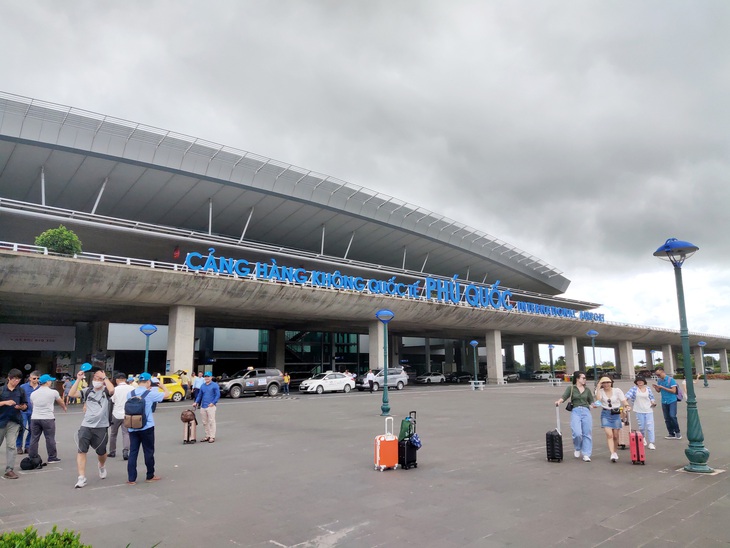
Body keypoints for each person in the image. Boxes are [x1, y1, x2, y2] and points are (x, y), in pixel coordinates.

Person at [68, 368, 115, 488]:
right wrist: (78, 379)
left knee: (101, 452)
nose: (97, 381)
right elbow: (71, 394)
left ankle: (101, 465)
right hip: (86, 425)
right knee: (82, 450)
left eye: (99, 379)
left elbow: (112, 390)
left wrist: (105, 378)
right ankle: (81, 477)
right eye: (95, 378)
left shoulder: (105, 391)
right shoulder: (87, 391)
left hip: (101, 426)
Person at [126, 372, 168, 485]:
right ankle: (150, 475)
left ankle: (131, 478)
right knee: (148, 451)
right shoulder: (150, 394)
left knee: (133, 452)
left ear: (139, 381)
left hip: (132, 426)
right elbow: (166, 395)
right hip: (147, 426)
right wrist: (162, 386)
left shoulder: (130, 393)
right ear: (149, 382)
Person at [554, 372, 594, 462]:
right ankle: (577, 447)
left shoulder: (587, 389)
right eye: (583, 378)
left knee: (587, 433)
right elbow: (564, 397)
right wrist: (559, 401)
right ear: (577, 378)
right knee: (577, 433)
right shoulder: (571, 388)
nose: (585, 379)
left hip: (586, 411)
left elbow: (591, 401)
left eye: (585, 378)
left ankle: (586, 454)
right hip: (576, 411)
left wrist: (594, 404)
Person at [28, 374, 67, 463]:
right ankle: (52, 457)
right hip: (48, 418)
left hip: (35, 417)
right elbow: (60, 401)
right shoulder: (53, 392)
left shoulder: (33, 393)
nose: (51, 382)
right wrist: (64, 407)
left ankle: (32, 456)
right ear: (47, 382)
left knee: (34, 438)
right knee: (50, 438)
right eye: (50, 381)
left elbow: (32, 404)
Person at [594, 376, 630, 462]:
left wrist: (627, 406)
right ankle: (612, 453)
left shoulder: (617, 390)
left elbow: (624, 400)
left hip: (616, 414)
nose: (606, 384)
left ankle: (615, 451)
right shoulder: (600, 391)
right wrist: (598, 387)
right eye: (604, 383)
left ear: (611, 382)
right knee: (609, 435)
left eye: (608, 382)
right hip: (605, 413)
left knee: (615, 435)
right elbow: (598, 400)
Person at [0, 369, 28, 479]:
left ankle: (9, 469)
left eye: (18, 379)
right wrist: (5, 403)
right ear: (9, 378)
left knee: (11, 446)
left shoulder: (20, 391)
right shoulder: (1, 390)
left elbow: (25, 405)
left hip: (14, 421)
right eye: (14, 379)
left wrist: (21, 407)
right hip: (1, 420)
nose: (16, 381)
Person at [625, 376, 657, 450]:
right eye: (638, 381)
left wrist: (653, 402)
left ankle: (651, 442)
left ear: (644, 382)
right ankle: (643, 438)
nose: (639, 382)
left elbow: (651, 397)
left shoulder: (648, 389)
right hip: (639, 410)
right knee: (641, 427)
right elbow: (626, 397)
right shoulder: (634, 389)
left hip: (648, 410)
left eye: (641, 381)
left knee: (650, 426)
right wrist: (626, 404)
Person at [109, 372, 135, 460]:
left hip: (116, 414)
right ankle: (125, 451)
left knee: (113, 434)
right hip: (127, 414)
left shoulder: (115, 389)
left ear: (117, 380)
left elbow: (112, 401)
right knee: (126, 433)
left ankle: (112, 451)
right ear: (125, 379)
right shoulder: (132, 388)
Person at [652, 366, 681, 440]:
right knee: (667, 418)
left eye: (659, 374)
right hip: (664, 401)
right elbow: (659, 391)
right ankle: (671, 433)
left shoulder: (671, 380)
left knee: (672, 416)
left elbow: (674, 391)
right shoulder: (659, 381)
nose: (658, 376)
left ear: (662, 371)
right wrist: (656, 388)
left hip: (672, 400)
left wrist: (662, 387)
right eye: (657, 375)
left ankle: (677, 432)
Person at [16, 369, 40, 455]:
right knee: (21, 429)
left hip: (35, 412)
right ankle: (19, 446)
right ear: (30, 378)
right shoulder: (23, 387)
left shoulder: (40, 387)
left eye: (38, 378)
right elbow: (18, 397)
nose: (36, 380)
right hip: (24, 411)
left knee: (32, 429)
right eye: (34, 378)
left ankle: (28, 446)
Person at [193, 371, 220, 443]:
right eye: (205, 376)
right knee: (205, 422)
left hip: (211, 406)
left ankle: (212, 436)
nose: (206, 378)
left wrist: (213, 403)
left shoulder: (215, 385)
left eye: (208, 376)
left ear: (211, 377)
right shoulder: (203, 386)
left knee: (211, 421)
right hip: (203, 406)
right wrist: (196, 402)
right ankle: (207, 435)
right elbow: (200, 395)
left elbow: (217, 395)